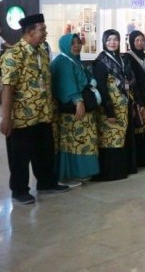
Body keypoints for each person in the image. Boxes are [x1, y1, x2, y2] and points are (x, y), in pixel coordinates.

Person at [1, 14, 70, 205]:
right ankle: (19, 190)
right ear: (30, 32)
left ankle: (46, 183)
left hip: (44, 113)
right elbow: (7, 88)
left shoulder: (42, 52)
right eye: (43, 30)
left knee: (45, 151)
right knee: (20, 156)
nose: (46, 34)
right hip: (22, 117)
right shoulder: (13, 55)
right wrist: (5, 118)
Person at [51, 33, 100, 183]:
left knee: (80, 140)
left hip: (78, 108)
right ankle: (74, 171)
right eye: (73, 43)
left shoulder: (73, 60)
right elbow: (67, 84)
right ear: (66, 45)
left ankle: (80, 171)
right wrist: (78, 101)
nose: (77, 46)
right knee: (76, 141)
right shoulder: (63, 61)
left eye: (78, 43)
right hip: (72, 109)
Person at [93, 29, 135, 180]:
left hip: (124, 105)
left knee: (121, 138)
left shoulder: (122, 58)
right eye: (109, 39)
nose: (112, 43)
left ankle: (122, 169)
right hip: (110, 108)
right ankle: (110, 172)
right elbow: (102, 88)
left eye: (115, 39)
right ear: (104, 41)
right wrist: (109, 110)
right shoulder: (101, 61)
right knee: (110, 139)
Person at [125, 30, 145, 167]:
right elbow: (131, 81)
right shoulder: (128, 58)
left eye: (142, 40)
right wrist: (138, 100)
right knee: (138, 127)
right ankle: (138, 159)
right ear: (131, 41)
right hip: (137, 100)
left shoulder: (144, 57)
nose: (140, 43)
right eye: (137, 40)